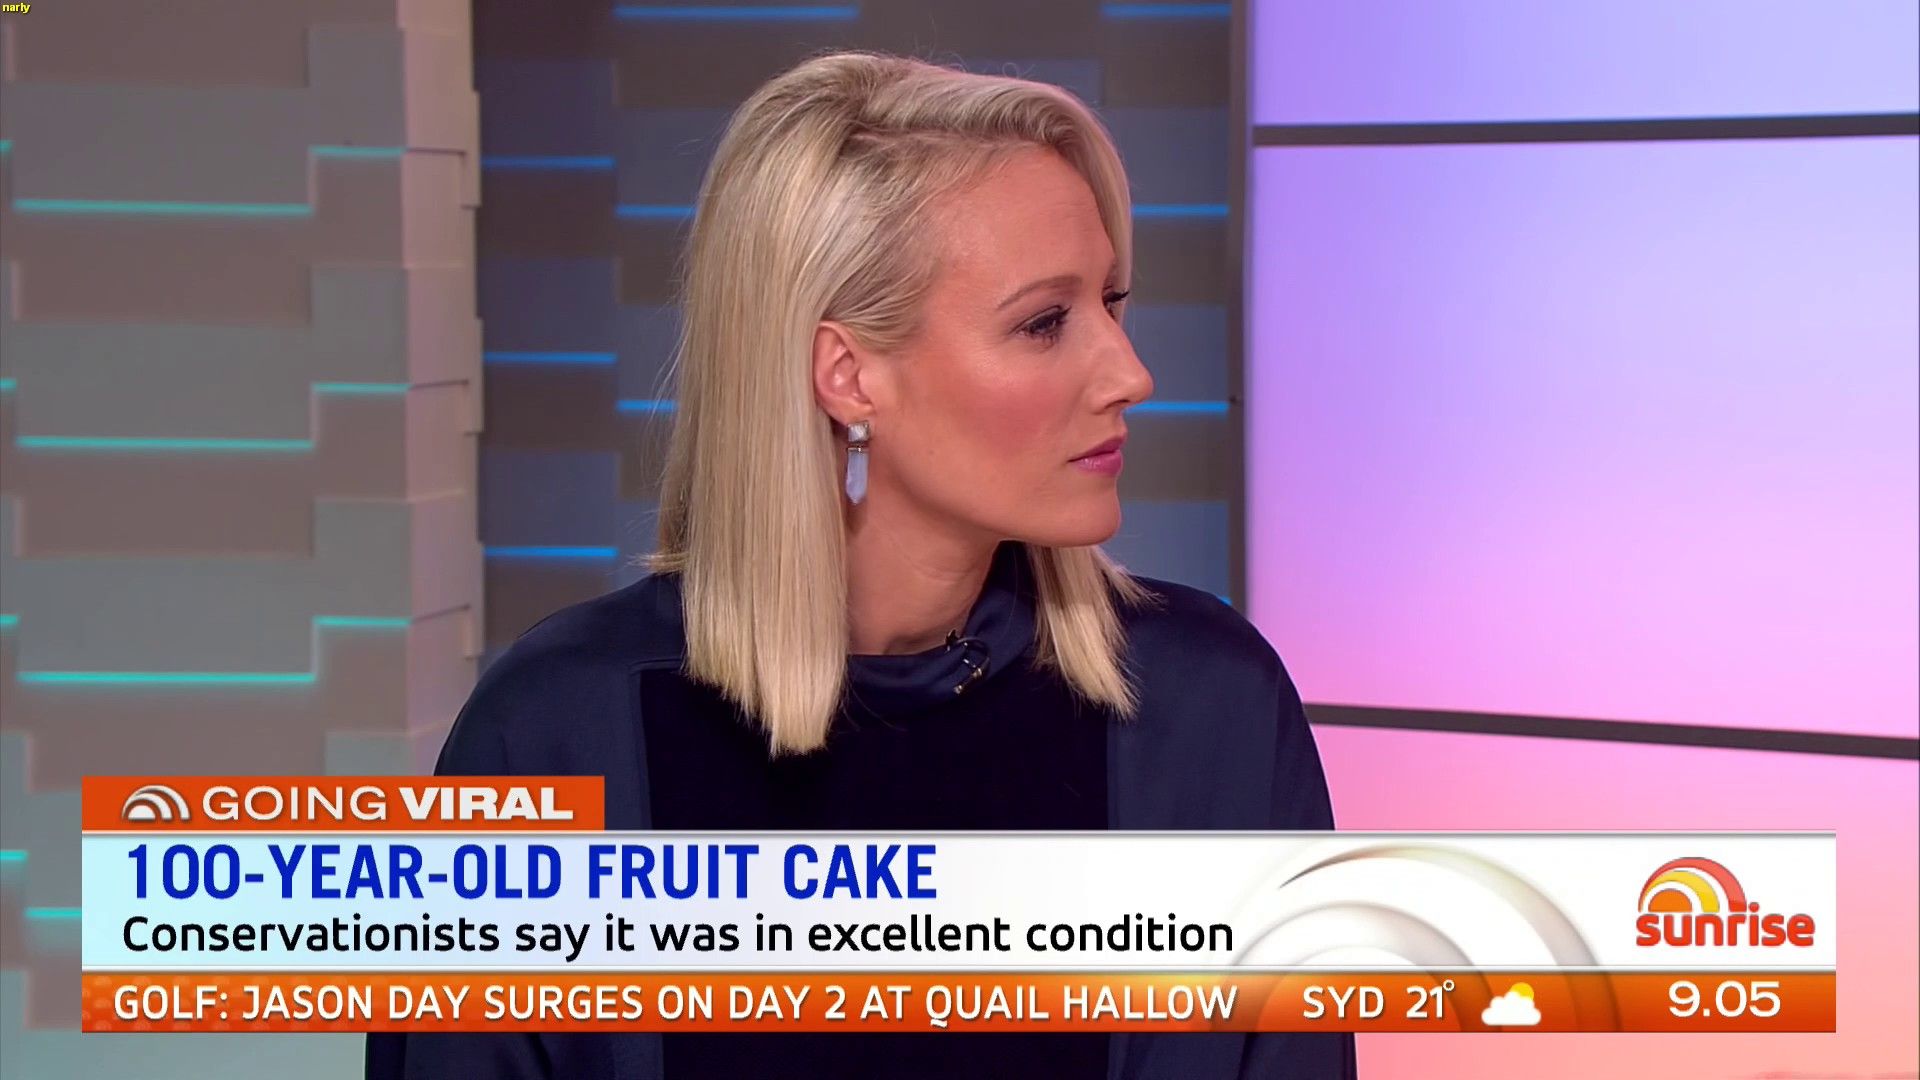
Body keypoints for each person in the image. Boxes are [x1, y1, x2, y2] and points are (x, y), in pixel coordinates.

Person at [366, 50, 1353, 1079]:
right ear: (846, 374)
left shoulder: (1214, 711)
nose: (1132, 372)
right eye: (1045, 322)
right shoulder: (556, 736)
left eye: (1113, 301)